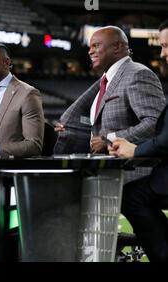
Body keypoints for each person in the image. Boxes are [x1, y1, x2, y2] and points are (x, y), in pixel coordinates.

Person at [108, 20, 168, 262]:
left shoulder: (138, 74)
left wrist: (135, 150)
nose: (163, 53)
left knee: (133, 196)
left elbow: (165, 138)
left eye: (166, 46)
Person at [54, 26, 166, 155]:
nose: (90, 52)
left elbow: (155, 123)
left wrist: (109, 139)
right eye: (90, 47)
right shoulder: (104, 81)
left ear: (117, 47)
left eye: (96, 46)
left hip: (132, 171)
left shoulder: (138, 74)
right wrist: (69, 129)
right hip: (103, 170)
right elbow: (95, 130)